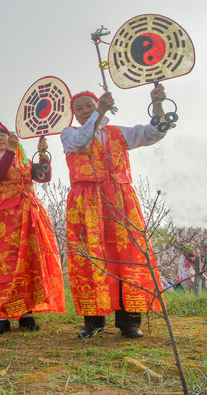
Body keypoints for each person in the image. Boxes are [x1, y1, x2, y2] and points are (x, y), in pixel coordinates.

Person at [62, 86, 169, 339]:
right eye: (80, 109)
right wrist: (99, 113)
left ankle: (129, 322)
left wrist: (158, 105)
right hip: (86, 202)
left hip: (121, 200)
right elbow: (81, 143)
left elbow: (154, 133)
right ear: (74, 115)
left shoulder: (118, 132)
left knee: (127, 256)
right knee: (91, 257)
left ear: (98, 103)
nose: (86, 111)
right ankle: (94, 322)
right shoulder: (69, 134)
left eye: (90, 105)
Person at [0, 126, 65, 335]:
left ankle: (26, 314)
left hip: (29, 219)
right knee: (5, 268)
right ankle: (3, 316)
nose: (0, 139)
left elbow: (43, 177)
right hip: (4, 223)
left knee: (28, 265)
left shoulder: (23, 163)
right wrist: (11, 150)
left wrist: (43, 154)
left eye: (3, 135)